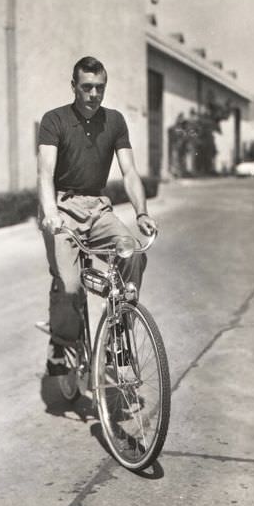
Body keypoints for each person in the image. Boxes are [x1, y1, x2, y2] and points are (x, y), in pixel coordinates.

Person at [37, 56, 157, 376]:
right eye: (87, 87)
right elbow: (45, 173)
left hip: (98, 208)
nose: (93, 94)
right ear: (74, 86)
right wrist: (50, 214)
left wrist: (141, 212)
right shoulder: (54, 120)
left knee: (132, 254)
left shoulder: (114, 121)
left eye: (100, 88)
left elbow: (129, 172)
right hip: (62, 208)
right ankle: (61, 344)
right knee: (70, 284)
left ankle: (117, 336)